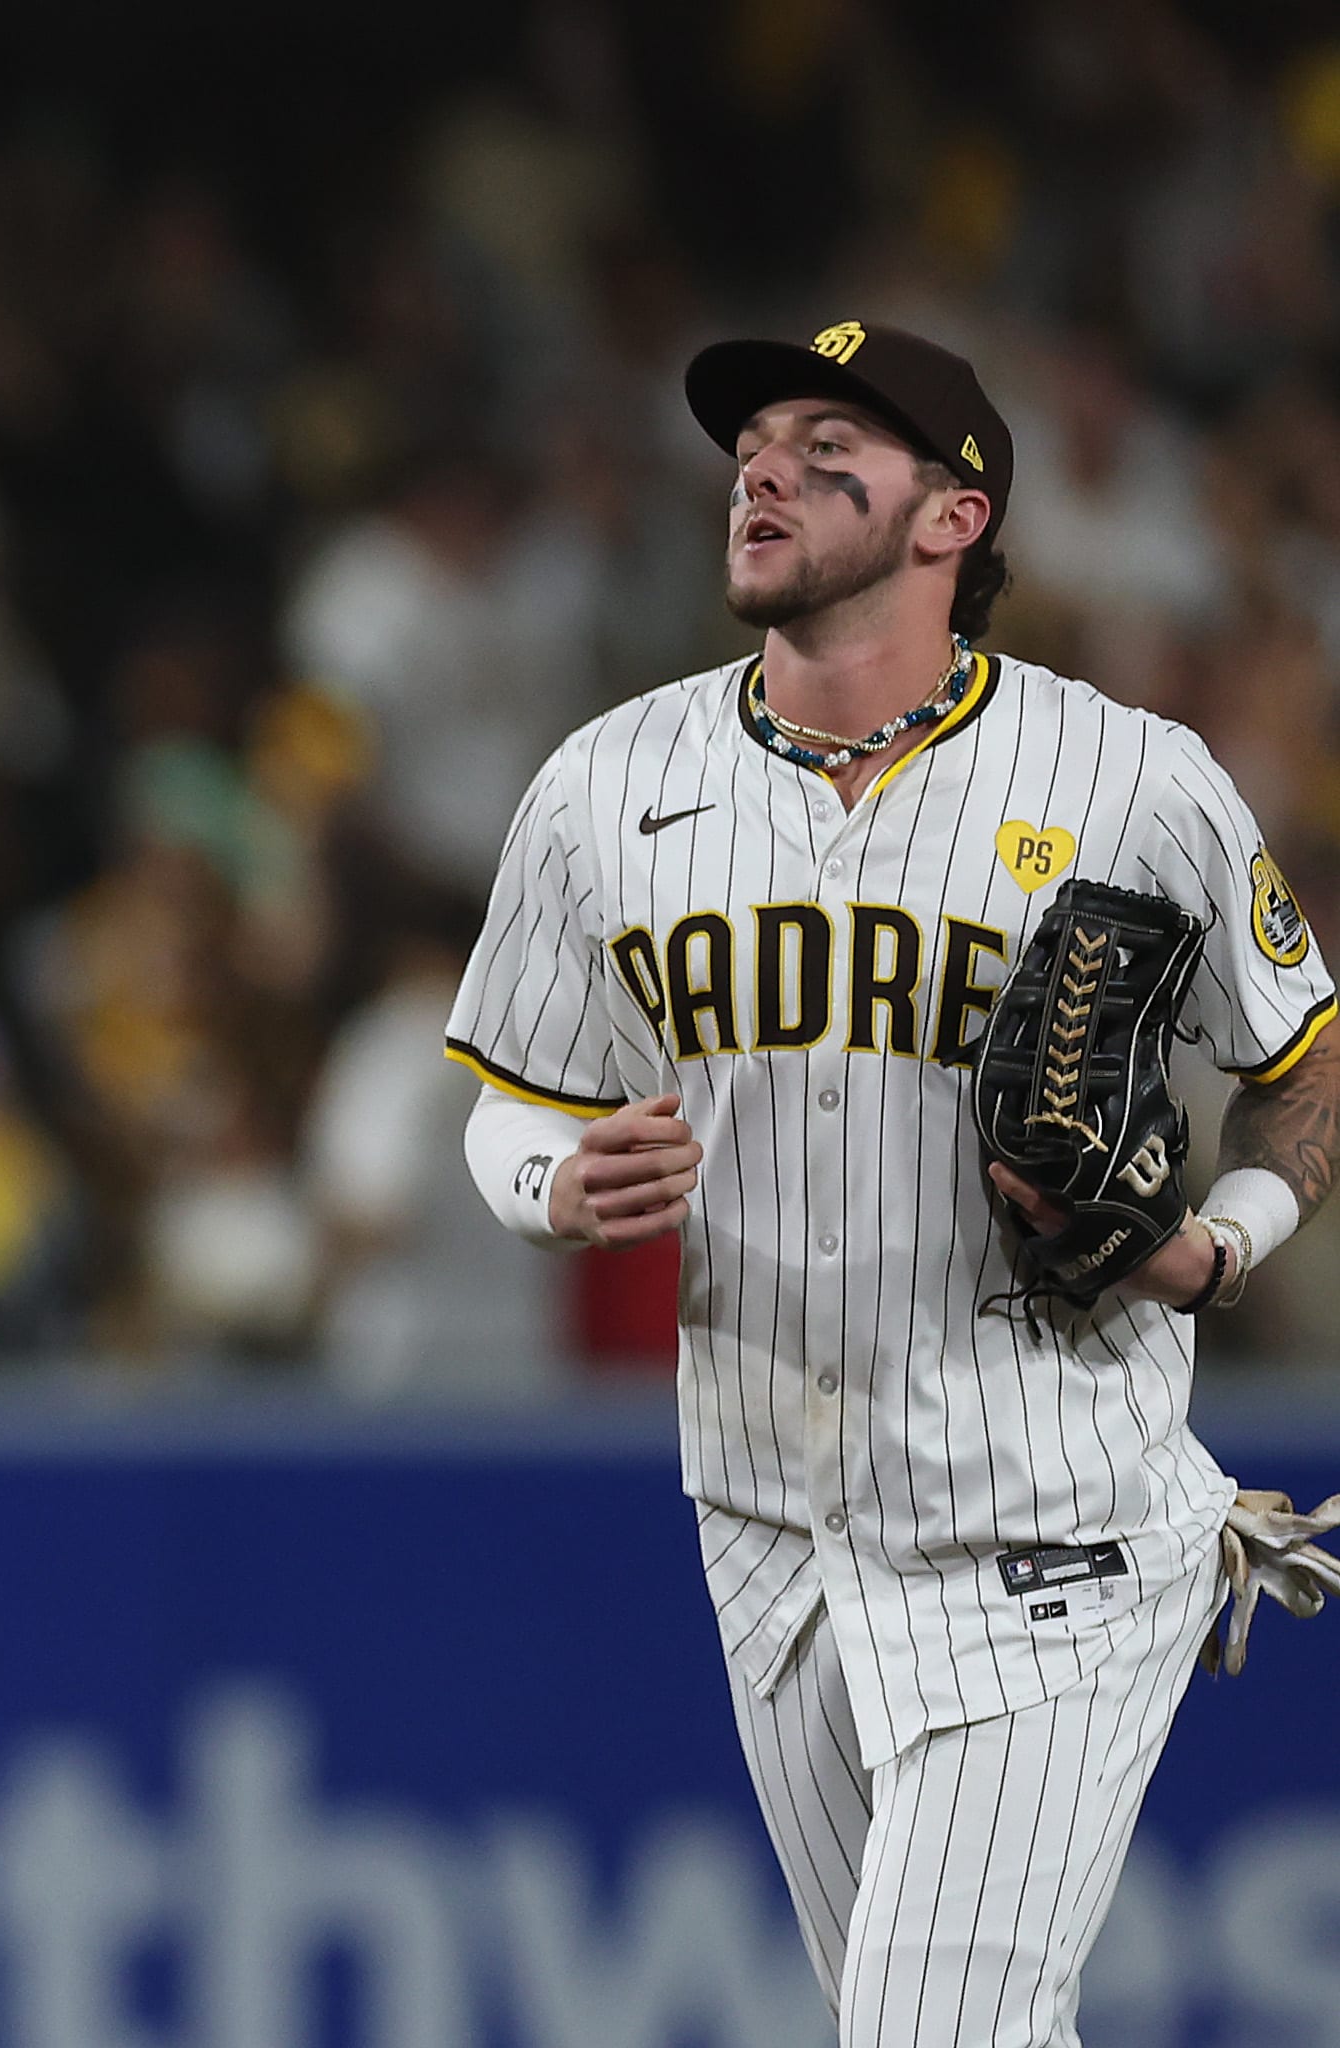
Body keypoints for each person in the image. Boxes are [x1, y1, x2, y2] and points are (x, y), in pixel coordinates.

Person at [446, 319, 1339, 2044]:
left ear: (954, 515)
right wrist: (553, 1180)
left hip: (1052, 1523)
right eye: (750, 441)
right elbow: (509, 1104)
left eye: (825, 442)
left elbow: (1302, 1061)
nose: (760, 468)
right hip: (775, 1542)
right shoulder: (606, 788)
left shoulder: (1128, 781)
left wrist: (1223, 1250)